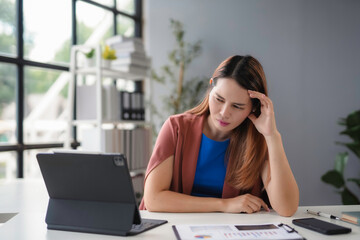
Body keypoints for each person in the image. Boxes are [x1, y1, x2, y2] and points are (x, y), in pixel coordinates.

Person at [140, 55, 299, 217]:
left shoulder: (258, 140)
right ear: (210, 88)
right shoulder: (177, 127)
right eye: (219, 99)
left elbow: (287, 208)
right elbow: (153, 199)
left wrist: (272, 136)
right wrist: (224, 204)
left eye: (237, 106)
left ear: (253, 108)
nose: (224, 113)